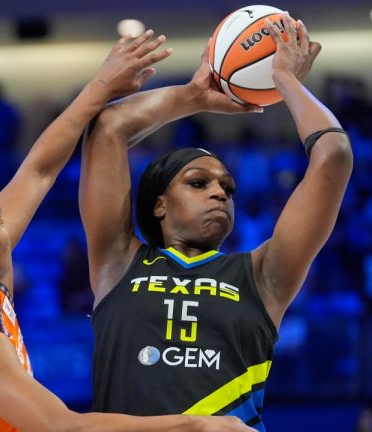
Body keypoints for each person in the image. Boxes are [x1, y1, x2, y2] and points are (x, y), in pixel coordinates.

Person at [0, 31, 254, 432]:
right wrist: (197, 425)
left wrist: (107, 86)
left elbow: (39, 170)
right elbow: (64, 427)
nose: (8, 216)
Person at [80, 13, 350, 431]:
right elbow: (108, 127)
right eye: (198, 182)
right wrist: (193, 95)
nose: (220, 192)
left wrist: (285, 80)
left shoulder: (262, 276)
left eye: (227, 187)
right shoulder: (118, 262)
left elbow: (333, 155)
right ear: (159, 205)